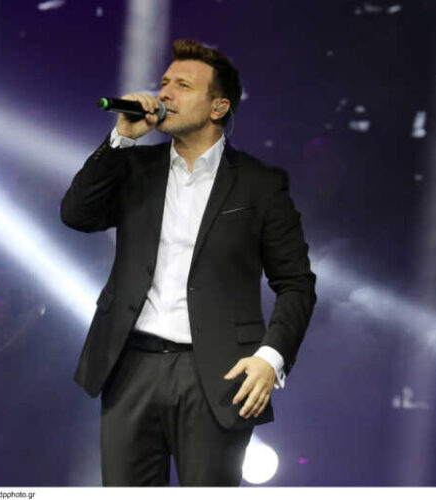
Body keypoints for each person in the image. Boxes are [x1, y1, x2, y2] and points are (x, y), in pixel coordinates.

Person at [60, 39, 316, 486]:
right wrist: (121, 139)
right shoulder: (135, 166)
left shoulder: (259, 184)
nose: (164, 93)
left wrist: (270, 357)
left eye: (182, 85)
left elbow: (296, 283)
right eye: (164, 83)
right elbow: (76, 215)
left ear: (218, 107)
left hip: (217, 372)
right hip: (130, 363)